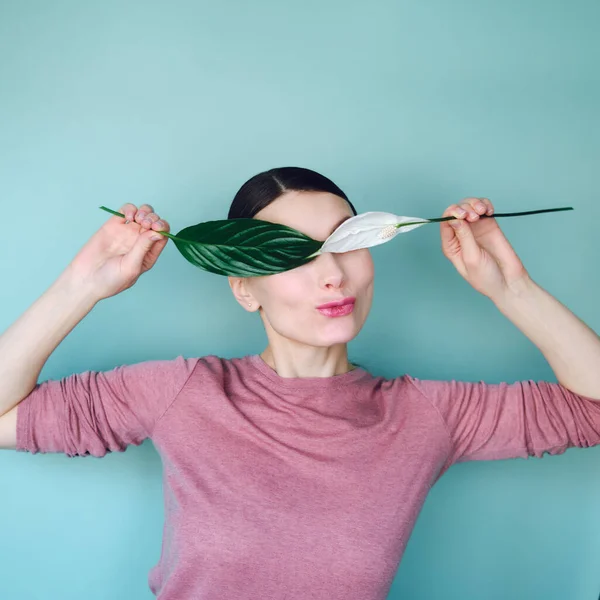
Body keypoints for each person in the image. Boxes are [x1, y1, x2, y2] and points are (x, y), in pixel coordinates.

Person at [1, 166, 599, 600]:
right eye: (291, 255)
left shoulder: (423, 415)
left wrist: (510, 288)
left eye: (348, 243)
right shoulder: (183, 394)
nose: (333, 275)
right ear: (243, 287)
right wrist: (82, 286)